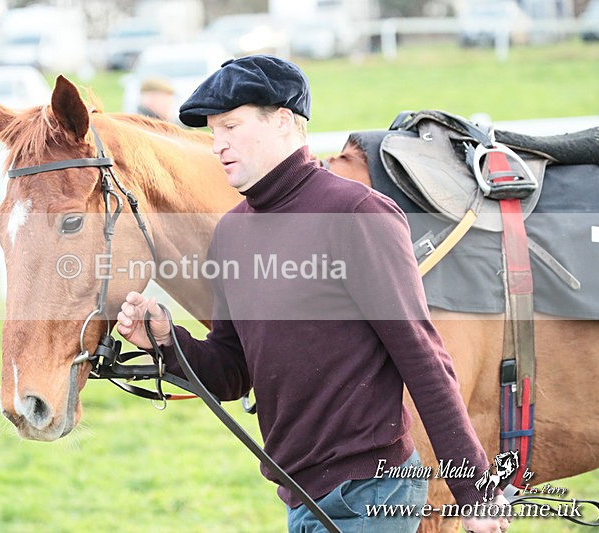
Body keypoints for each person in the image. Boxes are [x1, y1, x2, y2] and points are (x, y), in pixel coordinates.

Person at [116, 56, 510, 533]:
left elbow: (422, 355)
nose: (217, 144)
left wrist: (474, 491)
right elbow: (232, 371)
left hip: (373, 491)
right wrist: (164, 340)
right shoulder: (231, 234)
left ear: (283, 122)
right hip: (300, 497)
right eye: (214, 131)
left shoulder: (356, 214)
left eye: (232, 126)